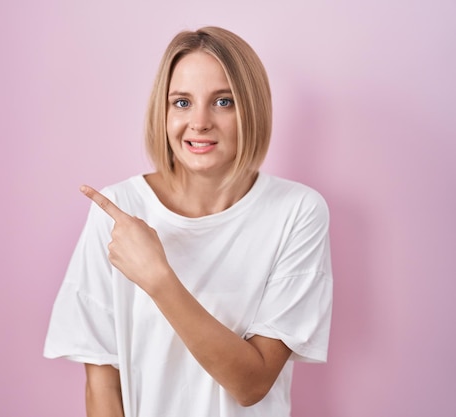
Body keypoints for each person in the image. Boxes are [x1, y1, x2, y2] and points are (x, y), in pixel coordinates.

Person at [44, 26, 333, 417]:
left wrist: (157, 278)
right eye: (182, 102)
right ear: (161, 112)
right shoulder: (118, 210)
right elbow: (103, 384)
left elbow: (252, 384)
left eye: (223, 102)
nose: (199, 122)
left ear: (253, 108)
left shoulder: (296, 212)